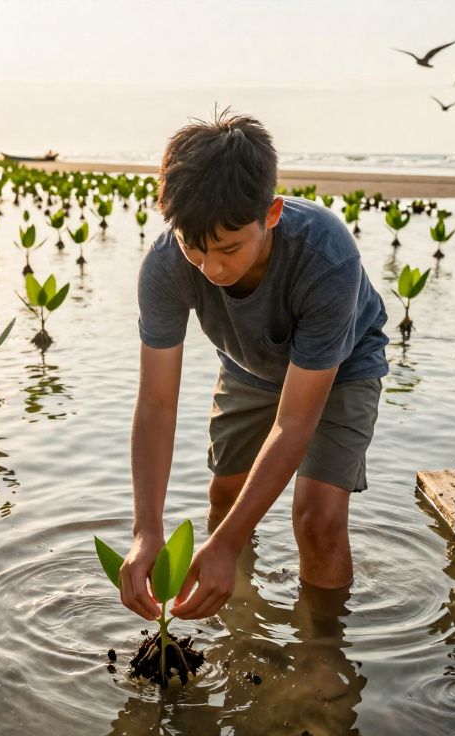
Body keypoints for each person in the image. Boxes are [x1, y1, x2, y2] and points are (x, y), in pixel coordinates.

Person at [119, 111, 389, 623]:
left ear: (271, 214)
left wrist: (226, 544)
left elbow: (295, 422)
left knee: (317, 519)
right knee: (224, 497)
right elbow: (156, 402)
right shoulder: (164, 265)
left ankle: (322, 655)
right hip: (248, 365)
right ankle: (240, 631)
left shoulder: (328, 256)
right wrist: (146, 530)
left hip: (341, 367)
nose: (213, 269)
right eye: (194, 250)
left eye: (228, 249)